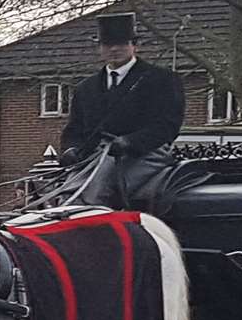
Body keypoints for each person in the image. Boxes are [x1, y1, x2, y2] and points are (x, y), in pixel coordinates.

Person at [55, 12, 188, 211]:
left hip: (145, 154)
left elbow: (168, 125)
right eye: (108, 44)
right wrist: (71, 150)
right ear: (100, 48)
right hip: (96, 157)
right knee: (61, 189)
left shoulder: (161, 80)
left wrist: (130, 142)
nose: (115, 49)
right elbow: (74, 129)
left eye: (122, 43)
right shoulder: (86, 87)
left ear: (134, 45)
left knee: (96, 189)